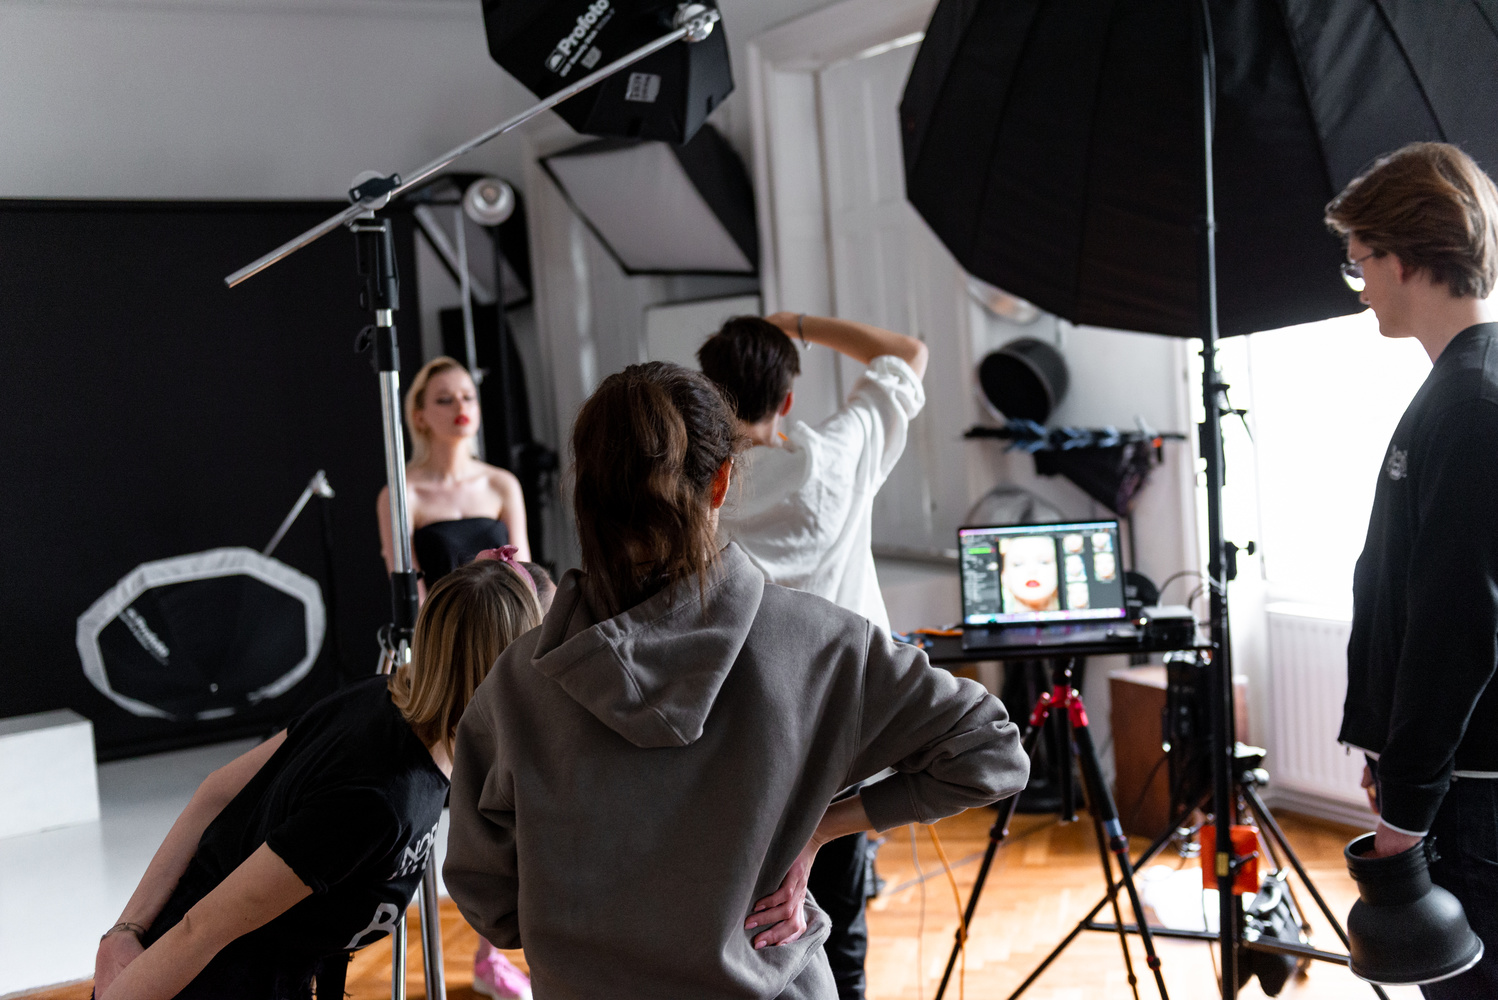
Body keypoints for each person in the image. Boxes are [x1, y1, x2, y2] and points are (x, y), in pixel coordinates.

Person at [444, 361, 1029, 1000]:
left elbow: (492, 904)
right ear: (721, 481)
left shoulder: (516, 686)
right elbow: (993, 752)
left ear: (585, 490)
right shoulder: (823, 643)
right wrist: (820, 830)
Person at [91, 557, 543, 1000]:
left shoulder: (383, 698)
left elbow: (217, 790)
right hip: (198, 976)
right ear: (502, 671)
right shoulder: (380, 799)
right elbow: (201, 928)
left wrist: (127, 929)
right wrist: (125, 936)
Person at [696, 312, 928, 999]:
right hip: (840, 728)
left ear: (710, 395)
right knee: (839, 914)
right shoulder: (837, 456)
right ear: (788, 399)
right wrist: (797, 323)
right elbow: (907, 350)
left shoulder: (699, 488)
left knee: (742, 914)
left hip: (734, 732)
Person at [1326, 141, 1498, 997]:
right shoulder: (1458, 389)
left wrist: (1405, 811)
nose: (1359, 288)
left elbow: (1456, 627)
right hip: (1452, 781)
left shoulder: (1472, 404)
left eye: (1359, 263)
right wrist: (1388, 752)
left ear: (1402, 257)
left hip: (1473, 796)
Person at [378, 356, 531, 601]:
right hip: (443, 624)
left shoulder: (503, 484)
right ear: (419, 417)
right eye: (445, 400)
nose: (461, 407)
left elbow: (526, 580)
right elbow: (413, 600)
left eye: (468, 397)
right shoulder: (402, 495)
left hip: (510, 620)